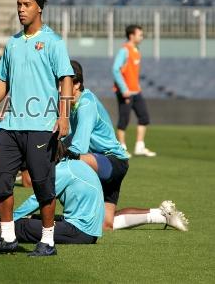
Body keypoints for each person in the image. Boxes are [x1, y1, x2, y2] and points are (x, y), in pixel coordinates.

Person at [0, 0, 74, 256]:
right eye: (18, 4)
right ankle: (8, 238)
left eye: (26, 4)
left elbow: (65, 79)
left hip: (42, 127)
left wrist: (63, 114)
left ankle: (48, 241)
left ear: (39, 8)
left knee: (43, 184)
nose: (21, 9)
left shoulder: (53, 42)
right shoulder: (13, 43)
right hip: (11, 126)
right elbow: (3, 82)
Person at [66, 60, 187, 231]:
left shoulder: (86, 104)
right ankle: (161, 215)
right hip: (102, 162)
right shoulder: (71, 104)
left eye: (61, 83)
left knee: (71, 160)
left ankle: (42, 217)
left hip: (112, 162)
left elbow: (78, 148)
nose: (58, 88)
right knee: (105, 224)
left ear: (76, 84)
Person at [0, 155, 105, 250]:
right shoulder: (71, 165)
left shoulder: (62, 171)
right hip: (84, 229)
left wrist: (10, 218)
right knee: (33, 219)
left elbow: (39, 198)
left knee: (21, 225)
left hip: (81, 232)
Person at [113, 24, 156, 157]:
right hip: (125, 92)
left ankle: (139, 146)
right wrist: (124, 89)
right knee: (124, 120)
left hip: (136, 91)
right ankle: (121, 148)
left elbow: (131, 72)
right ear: (132, 35)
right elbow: (115, 69)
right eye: (140, 34)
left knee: (144, 117)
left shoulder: (136, 50)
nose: (142, 37)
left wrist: (136, 85)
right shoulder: (124, 50)